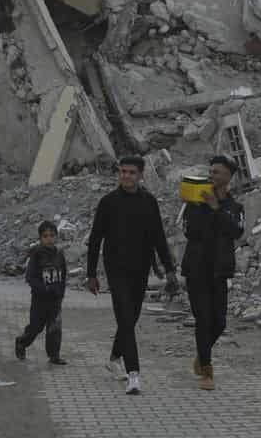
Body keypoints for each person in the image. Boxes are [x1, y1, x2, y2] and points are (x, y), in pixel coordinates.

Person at [86, 156, 178, 396]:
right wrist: (91, 274)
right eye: (122, 172)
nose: (125, 176)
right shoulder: (108, 202)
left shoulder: (149, 202)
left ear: (140, 175)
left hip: (140, 270)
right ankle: (134, 375)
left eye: (131, 172)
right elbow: (95, 239)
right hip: (116, 270)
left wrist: (169, 270)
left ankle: (114, 358)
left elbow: (158, 237)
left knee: (130, 318)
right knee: (125, 319)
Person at [181, 155, 245, 391]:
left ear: (229, 177)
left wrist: (216, 209)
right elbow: (189, 231)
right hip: (196, 269)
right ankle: (206, 371)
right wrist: (203, 207)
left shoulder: (234, 207)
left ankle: (201, 354)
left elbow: (236, 231)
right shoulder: (194, 203)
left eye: (217, 172)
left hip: (219, 271)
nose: (212, 176)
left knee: (219, 322)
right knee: (203, 320)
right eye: (210, 172)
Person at [15, 220, 68, 365]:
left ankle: (54, 355)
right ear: (40, 238)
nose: (49, 239)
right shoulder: (36, 255)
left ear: (56, 236)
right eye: (45, 236)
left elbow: (63, 275)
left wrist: (60, 292)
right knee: (35, 328)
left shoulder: (59, 254)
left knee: (55, 328)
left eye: (52, 235)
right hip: (40, 300)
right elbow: (30, 277)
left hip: (55, 299)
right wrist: (43, 289)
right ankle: (22, 342)